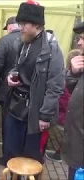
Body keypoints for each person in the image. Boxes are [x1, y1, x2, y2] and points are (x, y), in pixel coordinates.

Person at [4, 0, 64, 174]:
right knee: (11, 154)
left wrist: (45, 116)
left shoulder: (51, 48)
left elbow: (55, 86)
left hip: (36, 114)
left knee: (31, 159)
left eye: (24, 24)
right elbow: (17, 67)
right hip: (16, 107)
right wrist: (10, 76)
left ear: (37, 24)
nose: (20, 27)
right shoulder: (23, 42)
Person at [0, 16, 20, 166]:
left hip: (8, 88)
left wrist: (2, 74)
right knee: (22, 123)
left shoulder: (5, 41)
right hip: (27, 90)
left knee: (8, 123)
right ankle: (20, 156)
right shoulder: (33, 40)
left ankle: (8, 157)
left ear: (9, 27)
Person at [45, 49, 80, 162]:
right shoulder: (74, 78)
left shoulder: (65, 77)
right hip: (68, 115)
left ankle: (55, 153)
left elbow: (63, 102)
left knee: (44, 120)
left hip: (63, 116)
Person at [62, 21, 84, 180]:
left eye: (83, 38)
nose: (79, 42)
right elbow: (73, 91)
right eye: (79, 38)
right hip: (77, 145)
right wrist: (73, 73)